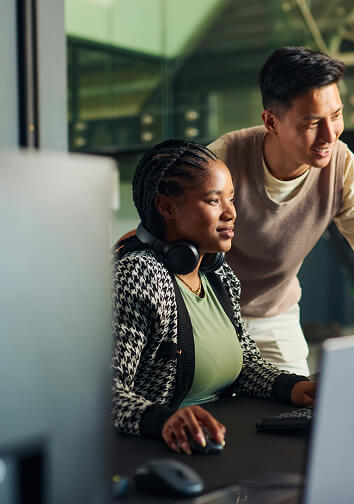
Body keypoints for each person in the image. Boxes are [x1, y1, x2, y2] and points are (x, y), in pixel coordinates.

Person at [112, 139, 316, 455]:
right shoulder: (138, 275)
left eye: (231, 199)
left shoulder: (218, 275)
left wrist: (294, 387)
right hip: (161, 450)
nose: (231, 212)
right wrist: (163, 420)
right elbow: (104, 395)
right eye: (213, 200)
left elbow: (244, 363)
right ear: (166, 207)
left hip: (221, 439)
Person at [208, 47, 354, 376]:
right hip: (210, 316)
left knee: (300, 412)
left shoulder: (344, 167)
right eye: (312, 122)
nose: (329, 134)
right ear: (271, 121)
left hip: (275, 316)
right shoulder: (221, 160)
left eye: (335, 115)